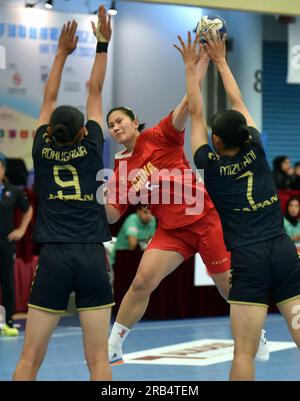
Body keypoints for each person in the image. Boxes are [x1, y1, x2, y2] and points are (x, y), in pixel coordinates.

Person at [104, 44, 268, 364]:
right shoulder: (119, 170)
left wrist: (200, 62)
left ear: (135, 122)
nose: (115, 127)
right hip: (172, 232)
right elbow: (111, 215)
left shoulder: (162, 135)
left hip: (205, 220)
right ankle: (112, 344)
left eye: (120, 120)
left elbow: (188, 105)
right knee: (141, 281)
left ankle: (256, 333)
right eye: (111, 125)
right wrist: (108, 196)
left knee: (228, 288)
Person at [175, 30, 300, 381]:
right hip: (283, 253)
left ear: (216, 141)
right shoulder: (257, 151)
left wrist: (191, 67)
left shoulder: (209, 166)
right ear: (245, 134)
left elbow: (195, 113)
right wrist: (221, 60)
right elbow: (238, 99)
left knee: (243, 352)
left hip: (247, 262)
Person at [14, 6, 114, 381]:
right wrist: (101, 42)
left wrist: (60, 53)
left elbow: (47, 100)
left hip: (53, 255)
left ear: (51, 131)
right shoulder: (91, 148)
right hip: (90, 253)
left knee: (28, 360)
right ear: (82, 134)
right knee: (99, 361)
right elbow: (95, 90)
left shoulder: (40, 148)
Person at [0, 152, 33, 336]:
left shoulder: (13, 191)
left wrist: (20, 230)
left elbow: (28, 210)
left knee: (7, 282)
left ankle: (9, 321)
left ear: (4, 169)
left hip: (6, 242)